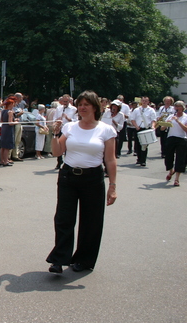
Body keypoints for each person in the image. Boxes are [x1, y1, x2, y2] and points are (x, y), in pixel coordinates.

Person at [47, 90, 117, 274]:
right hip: (68, 176)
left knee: (91, 221)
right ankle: (59, 259)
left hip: (92, 178)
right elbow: (57, 152)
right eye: (80, 104)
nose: (82, 108)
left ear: (95, 107)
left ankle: (84, 260)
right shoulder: (70, 127)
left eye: (86, 104)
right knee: (63, 218)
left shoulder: (106, 130)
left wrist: (113, 186)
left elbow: (110, 160)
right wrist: (55, 135)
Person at [162, 101, 187, 187]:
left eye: (179, 106)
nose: (177, 108)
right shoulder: (171, 116)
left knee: (180, 158)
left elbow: (186, 129)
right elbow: (162, 128)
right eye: (176, 106)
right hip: (171, 137)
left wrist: (178, 121)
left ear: (183, 108)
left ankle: (177, 179)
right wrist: (167, 123)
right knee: (168, 156)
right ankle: (171, 171)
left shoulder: (185, 117)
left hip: (181, 138)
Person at [130, 96, 157, 167]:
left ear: (148, 102)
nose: (144, 102)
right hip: (138, 128)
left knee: (144, 145)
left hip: (146, 128)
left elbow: (153, 120)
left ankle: (143, 160)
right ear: (141, 101)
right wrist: (136, 126)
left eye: (146, 101)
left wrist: (153, 126)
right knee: (138, 144)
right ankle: (139, 159)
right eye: (143, 101)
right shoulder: (137, 110)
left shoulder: (151, 110)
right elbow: (132, 119)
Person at [53, 94, 77, 169]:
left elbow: (76, 120)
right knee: (59, 144)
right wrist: (56, 121)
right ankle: (59, 161)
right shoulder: (59, 108)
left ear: (69, 101)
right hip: (60, 128)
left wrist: (68, 118)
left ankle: (67, 161)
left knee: (68, 146)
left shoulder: (73, 109)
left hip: (69, 130)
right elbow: (54, 118)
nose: (65, 103)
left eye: (66, 101)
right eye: (64, 101)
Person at [0, 97, 17, 167]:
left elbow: (1, 121)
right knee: (7, 146)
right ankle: (6, 161)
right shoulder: (10, 112)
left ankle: (1, 160)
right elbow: (10, 123)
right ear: (10, 104)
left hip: (3, 128)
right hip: (8, 129)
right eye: (12, 104)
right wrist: (16, 122)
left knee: (3, 146)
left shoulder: (3, 111)